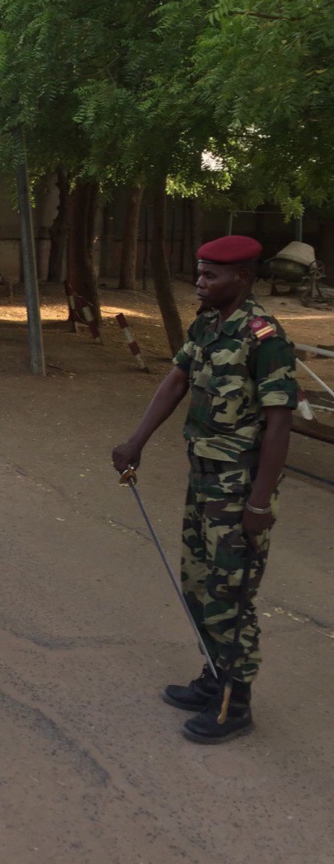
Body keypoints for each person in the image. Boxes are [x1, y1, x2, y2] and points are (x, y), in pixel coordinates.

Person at [112, 235, 297, 744]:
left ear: (241, 278)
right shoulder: (208, 326)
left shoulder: (265, 337)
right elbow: (175, 381)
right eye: (198, 272)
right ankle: (214, 677)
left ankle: (234, 707)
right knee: (197, 582)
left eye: (210, 275)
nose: (199, 282)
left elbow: (280, 424)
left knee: (231, 595)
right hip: (205, 482)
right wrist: (136, 441)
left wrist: (260, 502)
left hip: (240, 490)